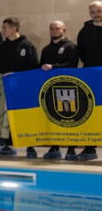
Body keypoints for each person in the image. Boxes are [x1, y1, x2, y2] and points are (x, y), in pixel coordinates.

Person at [0, 17, 39, 157]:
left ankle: (31, 146)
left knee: (26, 116)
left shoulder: (27, 45)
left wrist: (16, 75)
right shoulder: (1, 47)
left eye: (5, 28)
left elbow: (33, 67)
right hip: (7, 87)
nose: (2, 30)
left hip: (23, 87)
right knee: (8, 116)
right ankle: (8, 144)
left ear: (14, 28)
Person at [39, 20, 80, 160]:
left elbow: (72, 64)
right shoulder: (46, 49)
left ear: (64, 30)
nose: (54, 31)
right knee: (52, 117)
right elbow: (41, 67)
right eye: (51, 28)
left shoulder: (71, 46)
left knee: (69, 118)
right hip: (50, 89)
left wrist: (54, 66)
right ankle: (54, 147)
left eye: (57, 28)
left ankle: (71, 149)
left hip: (68, 88)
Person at [74, 0, 102, 161]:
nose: (96, 14)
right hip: (91, 75)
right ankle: (90, 149)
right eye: (92, 12)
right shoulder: (84, 31)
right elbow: (82, 53)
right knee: (90, 111)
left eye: (99, 11)